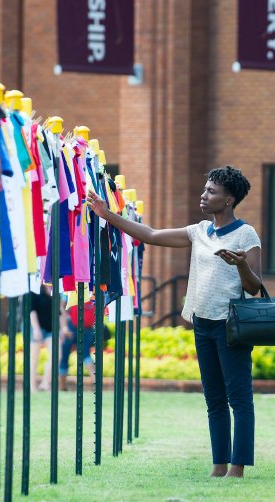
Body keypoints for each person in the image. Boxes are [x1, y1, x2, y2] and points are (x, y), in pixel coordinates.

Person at [87, 165, 262, 479]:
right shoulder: (199, 231)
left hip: (231, 326)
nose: (203, 195)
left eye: (211, 191)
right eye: (205, 189)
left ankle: (237, 467)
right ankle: (219, 465)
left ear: (229, 199)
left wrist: (240, 266)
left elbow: (253, 286)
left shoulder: (245, 234)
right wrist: (107, 214)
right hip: (202, 323)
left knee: (238, 398)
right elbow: (151, 235)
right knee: (214, 399)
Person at [29, 288, 56, 391]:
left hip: (50, 328)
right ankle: (32, 387)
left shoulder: (54, 289)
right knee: (34, 358)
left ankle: (45, 383)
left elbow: (58, 311)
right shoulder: (34, 289)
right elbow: (31, 310)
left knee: (56, 355)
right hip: (36, 327)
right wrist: (36, 328)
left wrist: (62, 329)